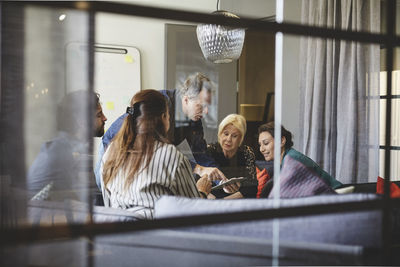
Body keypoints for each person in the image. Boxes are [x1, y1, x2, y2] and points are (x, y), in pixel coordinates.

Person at [94, 73, 226, 189]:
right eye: (201, 106)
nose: (206, 111)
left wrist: (221, 180)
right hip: (112, 145)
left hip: (139, 159)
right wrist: (199, 169)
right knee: (106, 190)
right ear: (186, 99)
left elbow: (201, 155)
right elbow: (154, 152)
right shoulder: (160, 106)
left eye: (207, 106)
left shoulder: (195, 119)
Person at [100, 89, 212, 219]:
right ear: (164, 118)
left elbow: (109, 207)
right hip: (156, 235)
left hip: (119, 235)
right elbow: (192, 211)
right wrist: (202, 192)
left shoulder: (110, 152)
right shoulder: (170, 155)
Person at [27, 90, 107, 201]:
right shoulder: (63, 151)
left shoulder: (72, 147)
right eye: (99, 115)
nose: (105, 118)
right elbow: (87, 200)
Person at [257, 122, 342, 198]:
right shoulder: (284, 160)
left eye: (266, 143)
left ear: (282, 141)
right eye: (260, 145)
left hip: (337, 196)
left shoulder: (292, 159)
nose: (261, 149)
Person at [206, 114, 258, 199]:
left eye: (234, 136)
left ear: (240, 138)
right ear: (220, 134)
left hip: (236, 200)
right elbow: (199, 183)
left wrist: (224, 202)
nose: (228, 139)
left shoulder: (247, 152)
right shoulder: (210, 150)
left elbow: (252, 187)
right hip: (212, 200)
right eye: (226, 134)